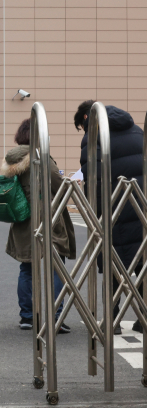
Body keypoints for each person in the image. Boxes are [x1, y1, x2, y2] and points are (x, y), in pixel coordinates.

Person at [2, 118, 76, 332]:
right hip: (47, 218)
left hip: (23, 219)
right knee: (56, 267)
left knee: (27, 268)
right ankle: (56, 316)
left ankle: (27, 316)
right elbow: (58, 184)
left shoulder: (13, 159)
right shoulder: (41, 157)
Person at [77, 101, 144, 334]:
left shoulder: (94, 134)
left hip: (112, 207)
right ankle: (144, 318)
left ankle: (112, 319)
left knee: (113, 263)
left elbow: (92, 179)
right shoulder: (136, 130)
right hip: (139, 204)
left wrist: (93, 212)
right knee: (140, 263)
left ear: (87, 118)